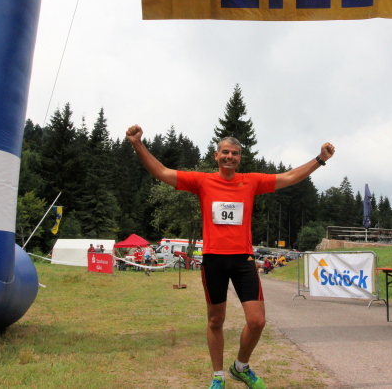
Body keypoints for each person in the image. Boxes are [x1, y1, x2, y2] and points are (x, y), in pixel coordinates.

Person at [126, 124, 334, 389]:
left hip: (243, 259)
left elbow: (290, 176)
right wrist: (137, 144)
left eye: (234, 153)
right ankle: (217, 376)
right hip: (214, 259)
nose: (229, 157)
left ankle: (240, 367)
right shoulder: (202, 181)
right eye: (225, 152)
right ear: (216, 155)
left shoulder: (252, 181)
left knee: (257, 321)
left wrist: (320, 159)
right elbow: (162, 172)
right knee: (215, 320)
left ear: (239, 158)